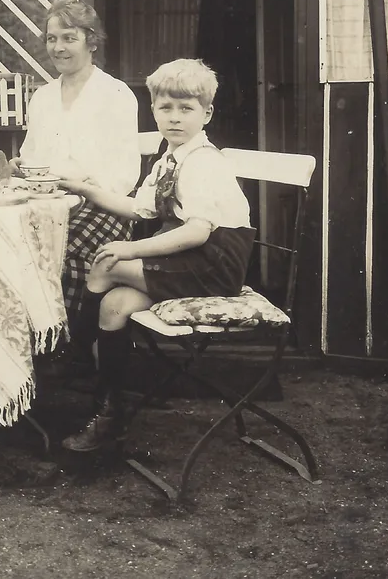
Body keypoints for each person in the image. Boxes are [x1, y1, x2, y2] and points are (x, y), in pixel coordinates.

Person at [0, 0, 141, 432]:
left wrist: (78, 188)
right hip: (42, 205)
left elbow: (124, 175)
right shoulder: (43, 97)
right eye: (52, 38)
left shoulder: (116, 94)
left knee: (40, 262)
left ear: (92, 41)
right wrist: (20, 176)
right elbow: (30, 157)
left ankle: (63, 368)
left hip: (99, 208)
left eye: (70, 37)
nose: (60, 47)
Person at [57, 58, 255, 452]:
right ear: (154, 111)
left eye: (187, 109)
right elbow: (138, 209)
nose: (175, 118)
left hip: (214, 264)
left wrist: (131, 249)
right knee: (114, 304)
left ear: (207, 113)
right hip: (190, 262)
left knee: (107, 264)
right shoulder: (168, 158)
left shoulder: (202, 162)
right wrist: (85, 189)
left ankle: (72, 351)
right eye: (166, 108)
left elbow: (198, 231)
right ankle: (109, 413)